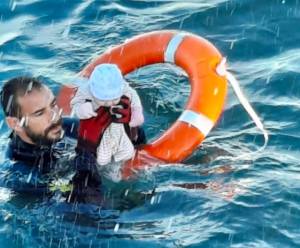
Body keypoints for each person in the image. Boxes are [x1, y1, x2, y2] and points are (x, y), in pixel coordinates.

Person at [0, 76, 142, 204]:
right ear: (15, 123)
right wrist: (87, 149)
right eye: (39, 113)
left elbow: (135, 145)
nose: (55, 117)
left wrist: (127, 126)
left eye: (53, 105)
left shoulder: (66, 127)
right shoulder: (19, 176)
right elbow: (87, 203)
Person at [70, 64, 144, 178]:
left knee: (134, 139)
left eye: (114, 99)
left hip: (119, 127)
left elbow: (134, 97)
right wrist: (82, 109)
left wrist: (137, 112)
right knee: (91, 161)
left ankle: (137, 154)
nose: (110, 103)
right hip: (94, 130)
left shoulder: (124, 88)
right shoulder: (86, 90)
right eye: (104, 100)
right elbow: (76, 103)